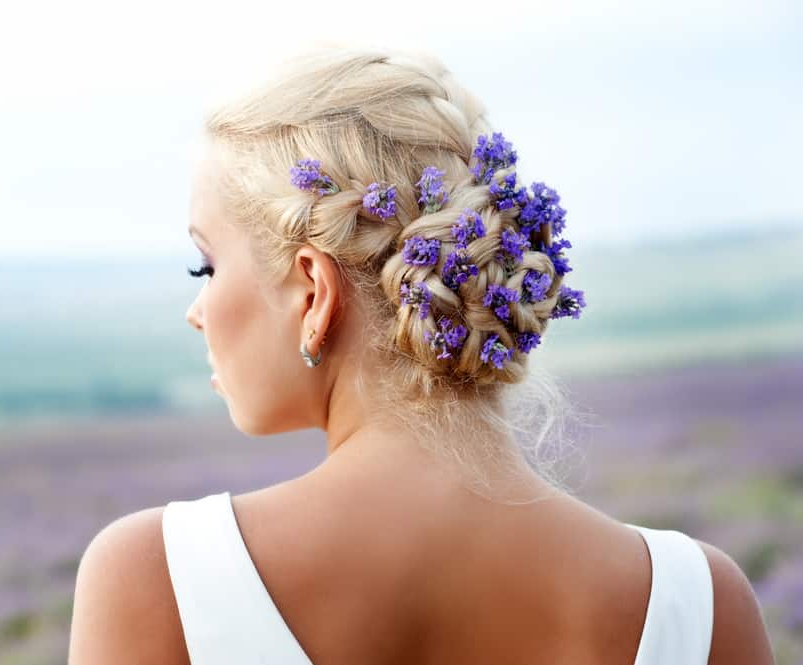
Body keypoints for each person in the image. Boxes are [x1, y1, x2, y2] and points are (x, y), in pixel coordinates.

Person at [67, 45, 774, 664]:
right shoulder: (699, 605)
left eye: (206, 266)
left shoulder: (160, 581)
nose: (198, 310)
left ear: (314, 291)